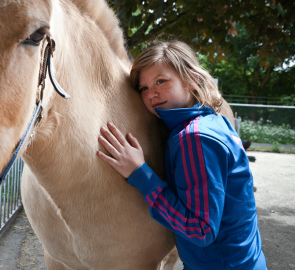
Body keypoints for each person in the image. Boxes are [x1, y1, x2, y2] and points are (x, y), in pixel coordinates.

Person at [97, 41, 266, 269]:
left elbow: (201, 230)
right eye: (143, 88)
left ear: (191, 79)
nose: (151, 94)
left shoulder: (195, 138)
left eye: (161, 81)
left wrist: (141, 174)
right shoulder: (212, 121)